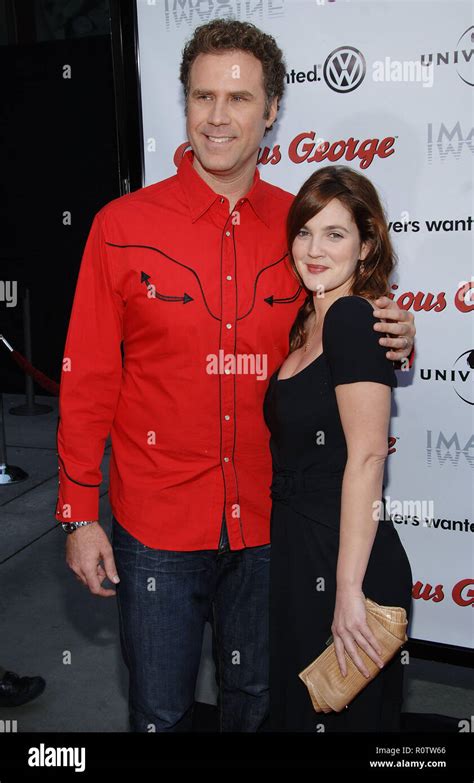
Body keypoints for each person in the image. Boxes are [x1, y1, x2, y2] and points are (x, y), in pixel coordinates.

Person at [56, 19, 415, 733]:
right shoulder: (120, 225)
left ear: (273, 108)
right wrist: (77, 511)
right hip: (155, 522)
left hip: (266, 526)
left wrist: (395, 327)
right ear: (184, 102)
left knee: (258, 706)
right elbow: (88, 374)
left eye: (240, 98)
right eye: (202, 96)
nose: (218, 117)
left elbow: (348, 315)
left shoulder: (300, 229)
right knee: (159, 710)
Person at [263, 165, 413, 732]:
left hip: (342, 555)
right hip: (299, 550)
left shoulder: (352, 318)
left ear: (367, 243)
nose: (314, 249)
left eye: (335, 234)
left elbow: (369, 456)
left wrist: (348, 592)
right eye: (305, 231)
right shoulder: (307, 321)